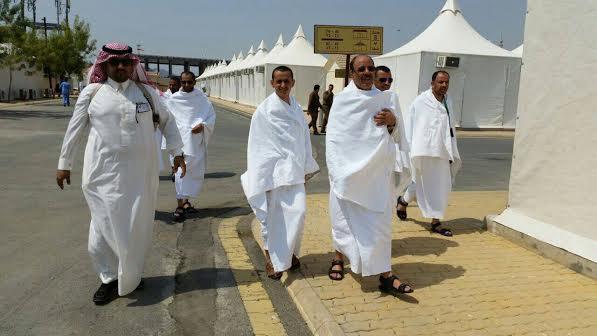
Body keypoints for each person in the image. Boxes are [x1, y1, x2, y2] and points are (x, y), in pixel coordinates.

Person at [55, 43, 186, 305]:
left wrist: (178, 153)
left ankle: (131, 276)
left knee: (136, 227)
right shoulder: (93, 93)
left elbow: (169, 123)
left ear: (132, 64)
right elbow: (75, 129)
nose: (121, 66)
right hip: (101, 175)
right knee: (101, 230)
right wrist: (64, 162)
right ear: (104, 65)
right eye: (115, 62)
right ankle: (108, 279)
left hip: (140, 176)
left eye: (126, 62)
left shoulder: (147, 93)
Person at [326, 55, 413, 295]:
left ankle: (386, 275)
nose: (366, 72)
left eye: (370, 68)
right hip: (347, 176)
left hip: (377, 177)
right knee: (343, 221)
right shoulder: (342, 101)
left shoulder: (387, 98)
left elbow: (399, 136)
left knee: (380, 227)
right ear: (352, 73)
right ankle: (338, 258)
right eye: (361, 68)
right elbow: (334, 141)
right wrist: (339, 173)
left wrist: (393, 122)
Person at [241, 65, 319, 280]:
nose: (283, 85)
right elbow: (258, 147)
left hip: (294, 173)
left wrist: (305, 167)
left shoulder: (295, 107)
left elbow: (303, 140)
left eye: (287, 81)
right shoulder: (264, 112)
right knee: (273, 218)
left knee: (297, 215)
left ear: (293, 83)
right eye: (279, 81)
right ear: (272, 83)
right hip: (273, 175)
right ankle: (271, 258)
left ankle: (288, 253)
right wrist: (263, 177)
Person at [396, 70, 461, 237]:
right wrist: (410, 149)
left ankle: (434, 221)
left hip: (443, 151)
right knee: (421, 183)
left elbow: (450, 128)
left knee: (441, 186)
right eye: (440, 82)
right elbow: (413, 126)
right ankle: (403, 202)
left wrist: (451, 150)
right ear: (432, 83)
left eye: (446, 82)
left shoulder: (448, 101)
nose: (444, 85)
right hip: (423, 151)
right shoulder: (421, 102)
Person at [167, 71, 216, 222]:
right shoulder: (174, 99)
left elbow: (211, 116)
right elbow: (168, 121)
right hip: (179, 143)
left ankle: (185, 202)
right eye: (184, 82)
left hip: (195, 142)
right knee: (180, 173)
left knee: (192, 173)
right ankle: (179, 206)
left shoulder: (202, 99)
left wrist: (203, 125)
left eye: (189, 82)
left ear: (195, 82)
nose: (186, 85)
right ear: (181, 82)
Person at [373, 66, 412, 218]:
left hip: (387, 152)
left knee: (386, 197)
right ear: (374, 80)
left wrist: (392, 122)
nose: (387, 83)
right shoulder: (365, 98)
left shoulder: (392, 97)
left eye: (390, 80)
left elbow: (398, 125)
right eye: (382, 80)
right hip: (368, 156)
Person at [155, 76, 181, 174]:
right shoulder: (164, 96)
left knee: (179, 148)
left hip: (180, 126)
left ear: (179, 85)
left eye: (174, 85)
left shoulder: (182, 97)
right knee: (172, 148)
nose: (171, 86)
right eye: (170, 84)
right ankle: (174, 169)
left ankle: (178, 168)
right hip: (168, 126)